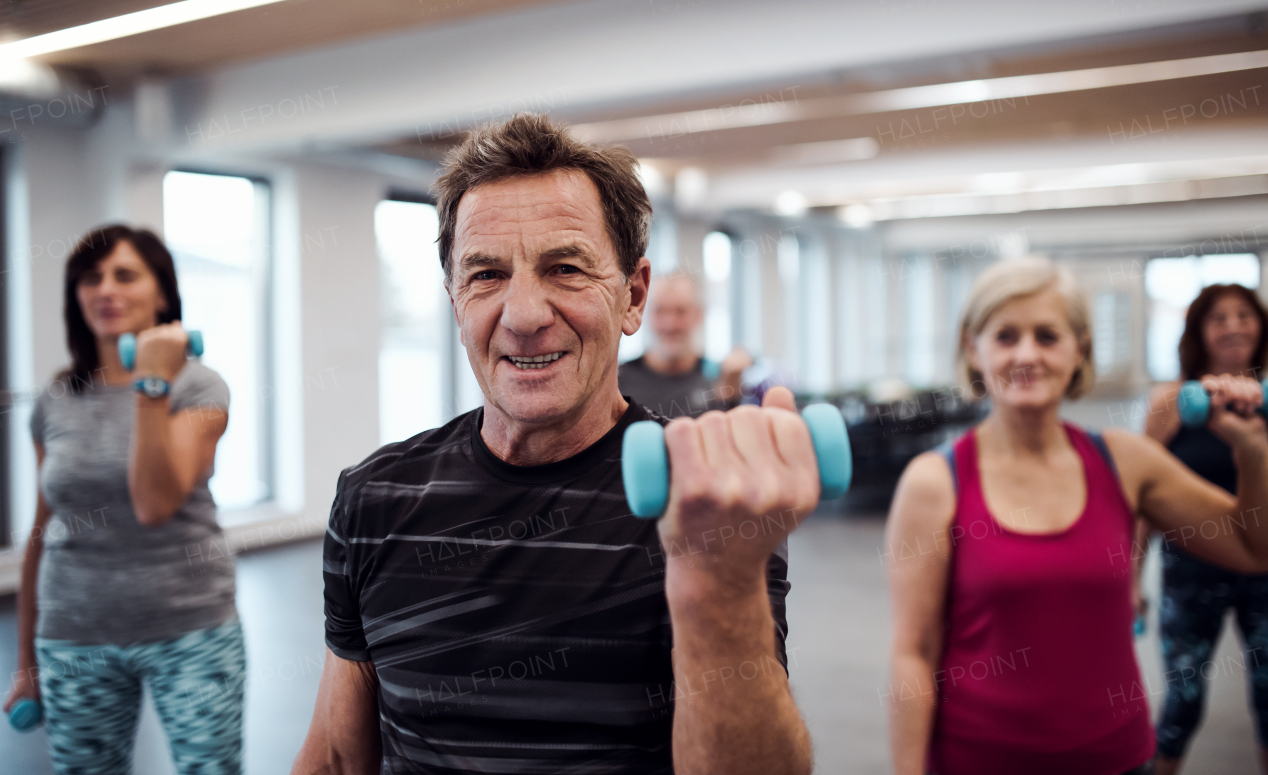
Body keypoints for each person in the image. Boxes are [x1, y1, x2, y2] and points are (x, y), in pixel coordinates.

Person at [291, 113, 818, 775]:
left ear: (633, 296)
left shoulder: (699, 498)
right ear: (455, 301)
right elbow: (339, 758)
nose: (524, 315)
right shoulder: (376, 496)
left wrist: (716, 584)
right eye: (485, 275)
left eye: (565, 268)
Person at [885, 256, 1268, 775]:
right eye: (1006, 336)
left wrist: (1252, 449)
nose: (1026, 354)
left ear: (1080, 349)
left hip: (1117, 759)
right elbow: (914, 651)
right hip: (979, 761)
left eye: (1047, 336)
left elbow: (1260, 548)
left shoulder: (1126, 462)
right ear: (972, 348)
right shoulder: (934, 482)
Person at [2, 225, 243, 773]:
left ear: (162, 293)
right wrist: (25, 661)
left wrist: (152, 382)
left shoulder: (199, 387)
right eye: (91, 278)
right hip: (74, 634)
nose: (105, 289)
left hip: (191, 630)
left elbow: (153, 503)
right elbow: (45, 529)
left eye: (125, 275)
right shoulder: (55, 401)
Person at [1138, 283, 1268, 775]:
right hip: (1190, 572)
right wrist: (1130, 581)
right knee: (1182, 699)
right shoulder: (1172, 403)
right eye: (1219, 318)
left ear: (1261, 327)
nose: (1234, 325)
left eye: (1244, 314)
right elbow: (1141, 501)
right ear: (1200, 332)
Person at [617, 272, 752, 417]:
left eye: (680, 312)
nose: (670, 324)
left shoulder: (720, 381)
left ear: (698, 315)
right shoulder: (618, 381)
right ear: (645, 315)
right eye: (660, 311)